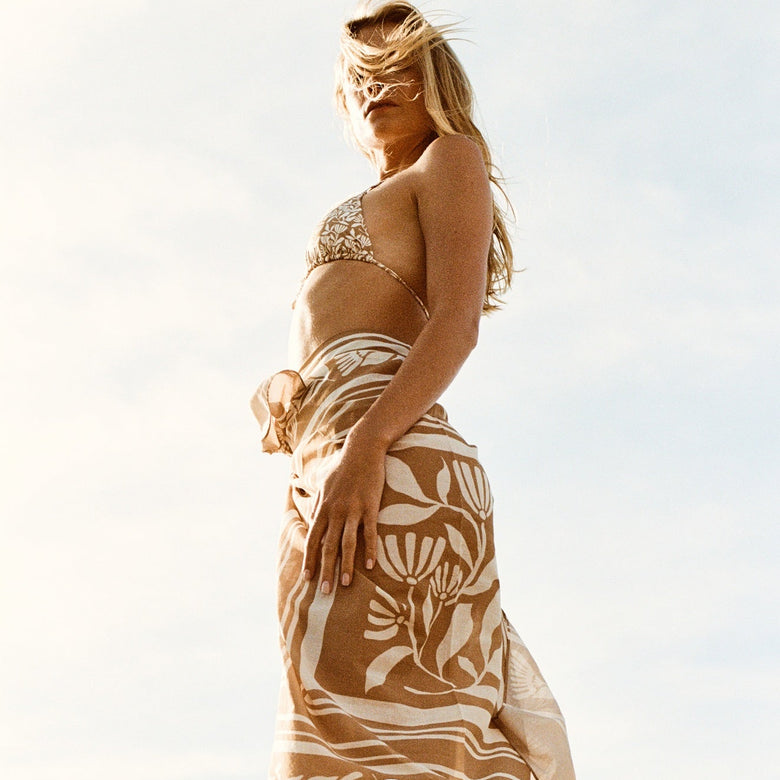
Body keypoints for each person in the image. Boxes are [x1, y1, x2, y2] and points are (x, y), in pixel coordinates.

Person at [251, 3, 576, 778]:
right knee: (349, 723)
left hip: (384, 453)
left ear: (434, 79)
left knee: (376, 728)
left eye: (397, 69)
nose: (375, 89)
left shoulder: (450, 159)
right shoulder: (393, 186)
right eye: (359, 79)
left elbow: (457, 325)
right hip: (329, 457)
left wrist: (364, 446)